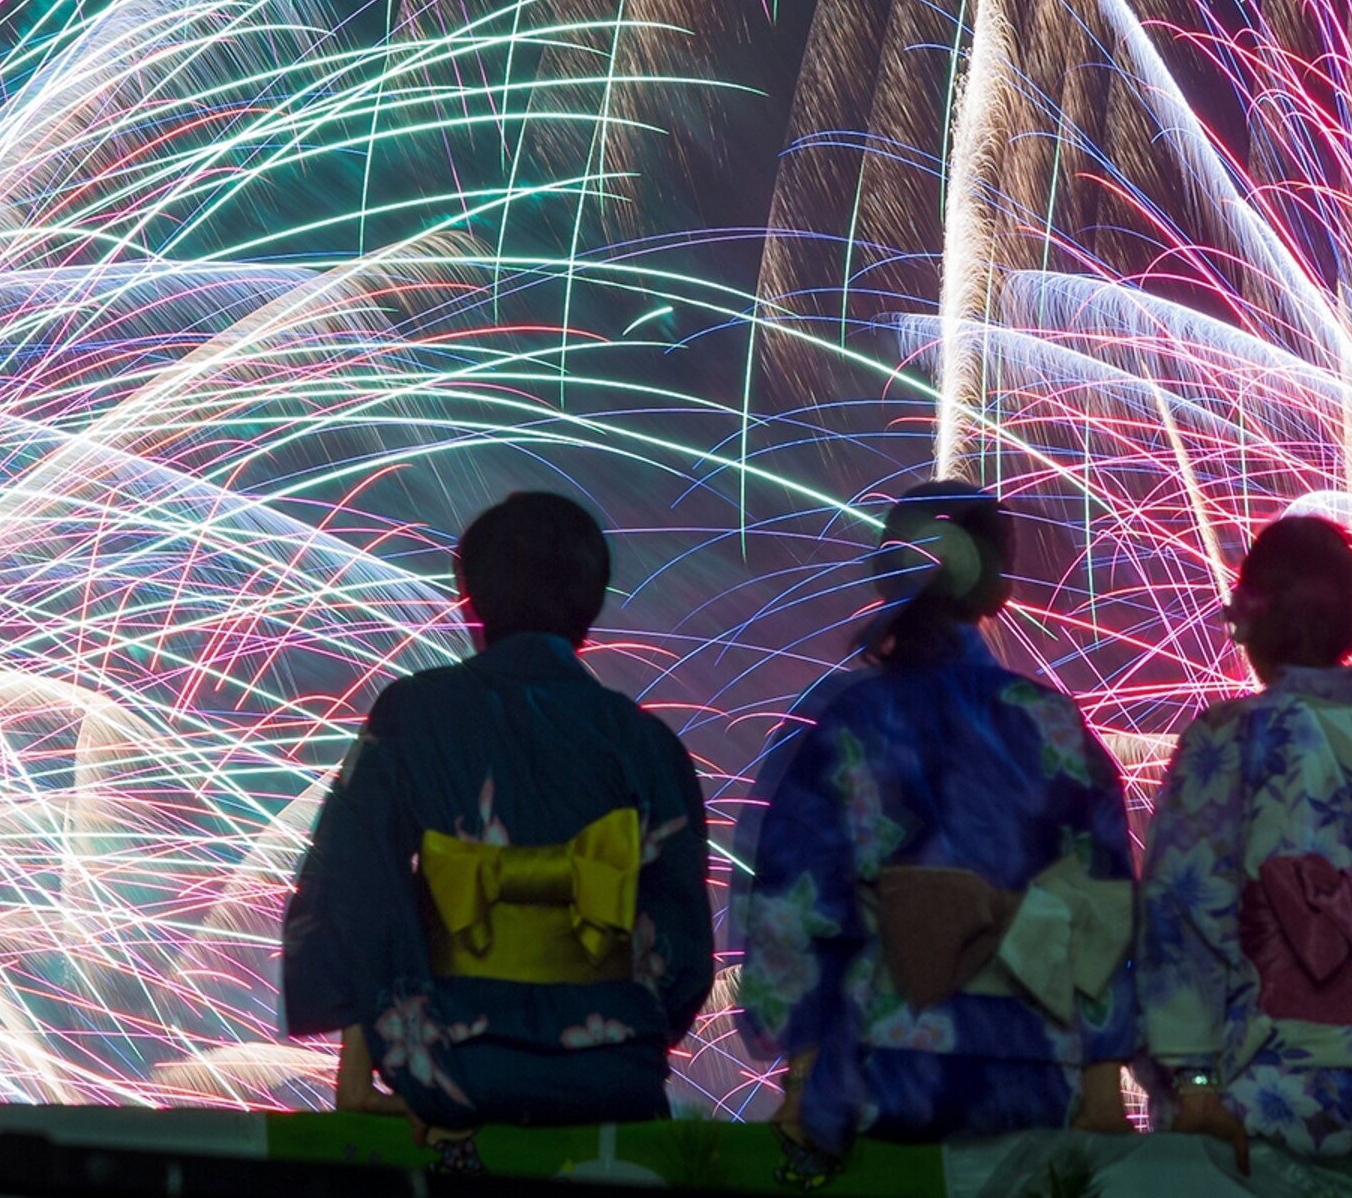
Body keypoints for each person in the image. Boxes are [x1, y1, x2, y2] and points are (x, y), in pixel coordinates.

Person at [280, 491, 713, 1163]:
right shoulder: (647, 742)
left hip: (454, 1068)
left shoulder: (415, 713)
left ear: (469, 598)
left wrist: (370, 1065)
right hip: (613, 1074)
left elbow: (353, 889)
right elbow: (683, 943)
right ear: (593, 603)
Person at [734, 481, 1139, 1177]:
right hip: (1032, 1069)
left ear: (885, 577)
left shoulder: (844, 723)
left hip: (871, 1074)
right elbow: (1105, 913)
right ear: (998, 588)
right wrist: (1104, 1086)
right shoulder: (1052, 725)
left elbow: (792, 906)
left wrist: (800, 1075)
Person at [1139, 513, 1352, 1164]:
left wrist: (1193, 1080)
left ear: (1252, 617)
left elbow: (1182, 921)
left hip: (1263, 1104)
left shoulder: (1228, 740)